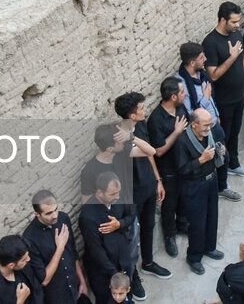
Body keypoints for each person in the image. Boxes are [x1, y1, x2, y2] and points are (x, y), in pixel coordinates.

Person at [112, 94, 172, 291]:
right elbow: (148, 151)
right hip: (131, 194)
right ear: (132, 114)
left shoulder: (141, 126)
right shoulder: (118, 138)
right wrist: (130, 137)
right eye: (141, 108)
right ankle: (133, 276)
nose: (144, 110)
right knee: (131, 237)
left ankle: (148, 263)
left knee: (149, 225)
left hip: (147, 186)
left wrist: (157, 181)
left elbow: (150, 155)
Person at [175, 41, 240, 202]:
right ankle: (214, 189)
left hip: (213, 123)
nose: (205, 59)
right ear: (191, 62)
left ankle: (222, 186)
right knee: (208, 159)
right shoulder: (181, 84)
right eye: (201, 57)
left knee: (223, 155)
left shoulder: (201, 74)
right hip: (202, 128)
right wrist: (205, 98)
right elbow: (190, 113)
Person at [202, 2, 244, 179]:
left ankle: (234, 163)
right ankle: (223, 172)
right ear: (223, 20)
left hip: (238, 96)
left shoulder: (236, 34)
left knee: (235, 133)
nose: (238, 25)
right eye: (234, 22)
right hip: (224, 101)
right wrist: (232, 57)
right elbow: (213, 75)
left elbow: (242, 65)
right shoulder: (210, 43)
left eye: (239, 21)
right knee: (224, 136)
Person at [174, 108, 224, 274]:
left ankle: (209, 247)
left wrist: (221, 153)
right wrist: (201, 160)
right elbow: (182, 170)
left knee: (212, 216)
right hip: (194, 186)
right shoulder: (182, 142)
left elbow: (219, 150)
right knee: (197, 223)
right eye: (205, 125)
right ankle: (194, 257)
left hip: (211, 181)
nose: (208, 128)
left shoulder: (210, 133)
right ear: (194, 125)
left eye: (210, 124)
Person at [146, 77, 189, 258]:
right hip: (168, 170)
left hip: (184, 164)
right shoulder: (156, 119)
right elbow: (159, 151)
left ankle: (182, 225)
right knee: (168, 206)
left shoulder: (180, 108)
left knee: (184, 198)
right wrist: (176, 132)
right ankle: (169, 237)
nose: (184, 94)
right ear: (172, 96)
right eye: (181, 92)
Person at [79, 172, 138, 303]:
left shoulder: (118, 196)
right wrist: (115, 274)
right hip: (103, 271)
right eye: (112, 194)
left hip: (123, 260)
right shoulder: (88, 217)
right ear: (100, 193)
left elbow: (131, 215)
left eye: (118, 192)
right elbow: (96, 250)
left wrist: (119, 224)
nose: (117, 197)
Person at [22, 190, 88, 304]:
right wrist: (60, 247)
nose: (55, 215)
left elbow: (73, 252)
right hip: (57, 297)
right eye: (48, 213)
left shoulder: (63, 218)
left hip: (75, 288)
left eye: (56, 209)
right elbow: (44, 280)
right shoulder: (29, 238)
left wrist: (82, 281)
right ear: (37, 214)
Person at [0, 235, 44, 304]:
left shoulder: (24, 267)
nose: (28, 259)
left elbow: (37, 290)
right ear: (11, 265)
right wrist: (20, 301)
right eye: (24, 259)